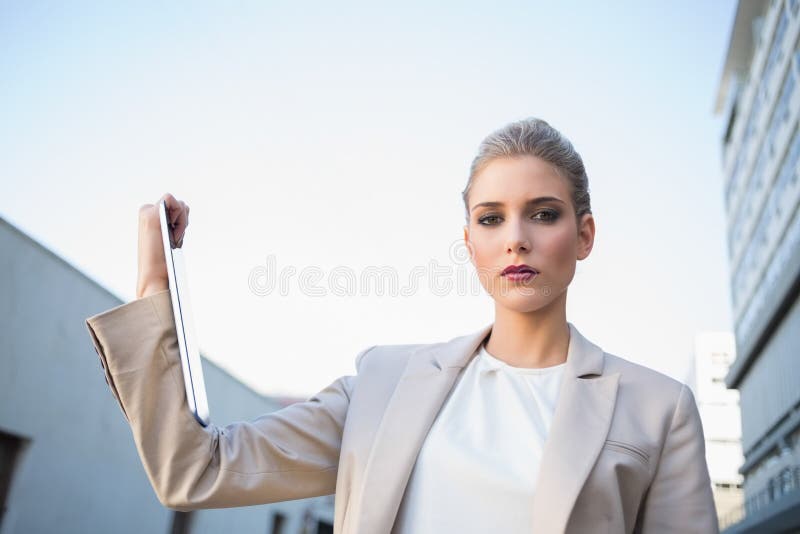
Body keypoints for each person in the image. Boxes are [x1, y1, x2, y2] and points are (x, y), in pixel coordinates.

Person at [85, 117, 719, 534]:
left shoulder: (658, 409)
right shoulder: (384, 384)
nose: (516, 241)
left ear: (583, 236)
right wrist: (156, 292)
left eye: (544, 214)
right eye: (492, 218)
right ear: (468, 241)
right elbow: (195, 470)